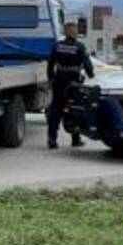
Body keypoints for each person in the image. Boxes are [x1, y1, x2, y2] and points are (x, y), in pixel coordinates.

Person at [46, 21, 93, 150]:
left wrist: (51, 78)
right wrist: (92, 75)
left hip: (59, 80)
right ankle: (75, 139)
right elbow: (88, 65)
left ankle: (52, 139)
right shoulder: (80, 47)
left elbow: (50, 64)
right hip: (74, 82)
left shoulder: (58, 46)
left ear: (65, 32)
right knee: (75, 108)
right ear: (75, 33)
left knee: (56, 109)